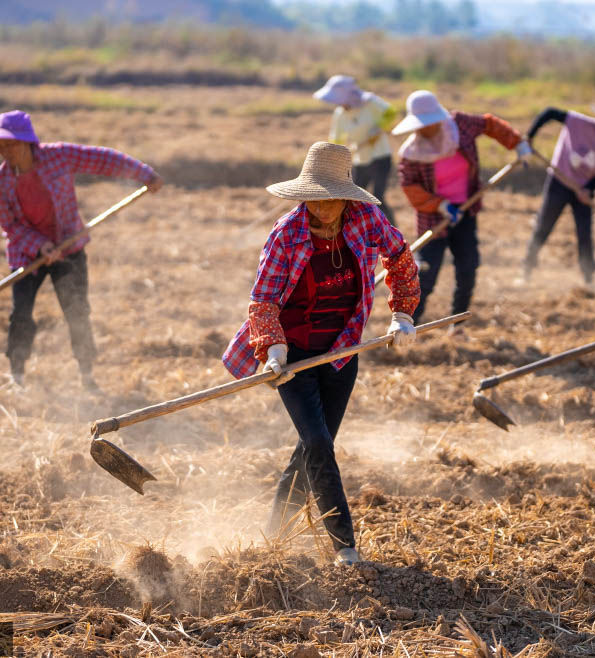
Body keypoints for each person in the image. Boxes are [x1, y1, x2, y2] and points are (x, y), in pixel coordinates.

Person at [222, 142, 420, 565]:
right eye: (316, 198)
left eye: (333, 198)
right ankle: (344, 546)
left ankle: (275, 535)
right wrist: (273, 348)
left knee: (314, 446)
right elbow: (264, 301)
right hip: (291, 356)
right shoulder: (287, 234)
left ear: (347, 196)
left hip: (343, 350)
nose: (325, 207)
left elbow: (401, 258)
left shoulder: (366, 219)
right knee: (317, 442)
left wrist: (402, 313)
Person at [0, 110, 163, 391]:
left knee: (77, 312)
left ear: (27, 142)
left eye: (10, 144)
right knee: (21, 314)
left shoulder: (59, 157)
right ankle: (17, 376)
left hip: (69, 245)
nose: (5, 152)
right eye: (1, 147)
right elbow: (11, 227)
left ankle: (86, 375)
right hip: (26, 255)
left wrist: (144, 174)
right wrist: (39, 246)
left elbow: (103, 159)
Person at [393, 90, 529, 324]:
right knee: (425, 274)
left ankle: (457, 324)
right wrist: (440, 205)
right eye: (420, 126)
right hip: (433, 218)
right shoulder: (411, 154)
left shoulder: (460, 126)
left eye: (429, 124)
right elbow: (409, 186)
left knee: (467, 268)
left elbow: (489, 124)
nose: (425, 130)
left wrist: (517, 143)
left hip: (466, 211)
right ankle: (407, 326)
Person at [522, 95, 595, 285]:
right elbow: (549, 112)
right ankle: (527, 271)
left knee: (584, 234)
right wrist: (530, 136)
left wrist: (588, 189)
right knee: (543, 226)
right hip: (558, 181)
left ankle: (588, 279)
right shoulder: (578, 123)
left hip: (582, 191)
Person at [314, 75, 398, 225]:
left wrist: (378, 129)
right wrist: (335, 158)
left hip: (380, 156)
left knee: (378, 197)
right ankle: (359, 228)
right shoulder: (340, 114)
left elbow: (391, 113)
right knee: (354, 198)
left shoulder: (370, 102)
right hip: (360, 159)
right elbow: (336, 139)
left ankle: (391, 230)